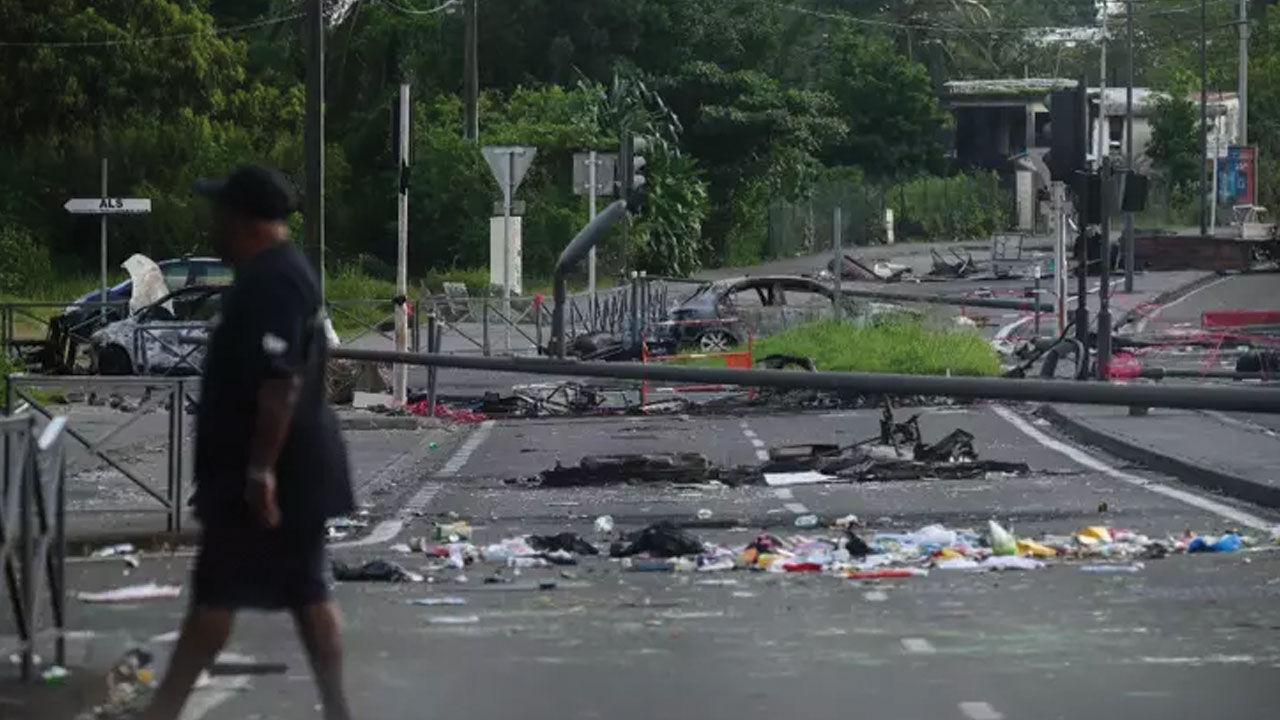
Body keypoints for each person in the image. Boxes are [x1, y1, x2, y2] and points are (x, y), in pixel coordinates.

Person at [143, 165, 355, 720]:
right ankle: (338, 711)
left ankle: (163, 711)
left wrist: (259, 472)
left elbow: (279, 380)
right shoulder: (276, 272)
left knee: (219, 593)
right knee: (305, 592)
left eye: (222, 214)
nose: (215, 225)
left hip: (272, 472)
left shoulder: (273, 280)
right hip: (282, 469)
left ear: (245, 221)